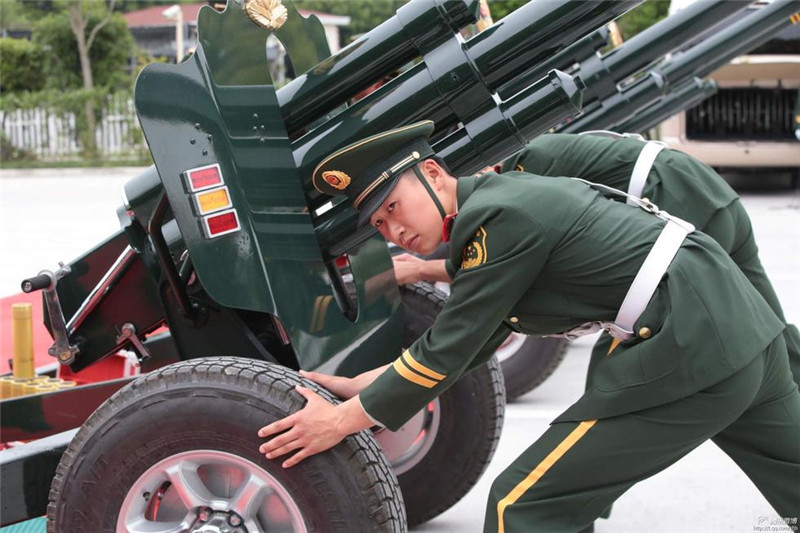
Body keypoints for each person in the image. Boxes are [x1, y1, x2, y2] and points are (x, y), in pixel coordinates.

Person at [258, 121, 800, 531]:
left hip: (694, 337)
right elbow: (471, 343)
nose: (393, 230)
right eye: (379, 224)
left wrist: (340, 421)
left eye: (395, 207)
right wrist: (363, 385)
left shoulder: (495, 221)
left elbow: (447, 350)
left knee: (522, 506)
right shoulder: (501, 207)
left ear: (433, 174)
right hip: (738, 324)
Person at [394, 132, 800, 386]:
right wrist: (423, 269)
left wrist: (422, 270)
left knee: (617, 377)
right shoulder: (528, 163)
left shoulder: (514, 183)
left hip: (678, 207)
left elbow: (503, 260)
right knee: (769, 326)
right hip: (705, 193)